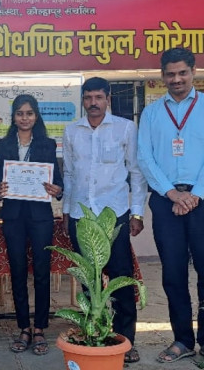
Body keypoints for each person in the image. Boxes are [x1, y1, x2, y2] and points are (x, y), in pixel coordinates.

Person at [62, 77, 147, 363]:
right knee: (89, 280)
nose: (93, 103)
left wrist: (137, 213)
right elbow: (70, 175)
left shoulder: (125, 128)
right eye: (88, 98)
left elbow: (135, 172)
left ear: (108, 98)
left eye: (99, 97)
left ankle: (126, 341)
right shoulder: (72, 131)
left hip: (115, 216)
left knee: (121, 280)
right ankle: (94, 334)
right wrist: (66, 212)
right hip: (81, 217)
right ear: (82, 100)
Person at [137, 48, 204, 363]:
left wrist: (195, 195)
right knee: (173, 273)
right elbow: (145, 158)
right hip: (166, 203)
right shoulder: (151, 113)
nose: (176, 80)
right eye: (170, 74)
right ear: (162, 75)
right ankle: (182, 340)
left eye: (182, 73)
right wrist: (172, 193)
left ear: (193, 71)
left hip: (202, 201)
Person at [0, 94, 63, 355]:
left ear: (36, 116)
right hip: (13, 216)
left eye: (29, 113)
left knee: (42, 272)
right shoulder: (3, 145)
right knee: (18, 272)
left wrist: (57, 189)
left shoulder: (47, 144)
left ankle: (41, 327)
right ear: (13, 116)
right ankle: (23, 326)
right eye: (20, 113)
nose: (24, 118)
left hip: (41, 216)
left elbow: (57, 182)